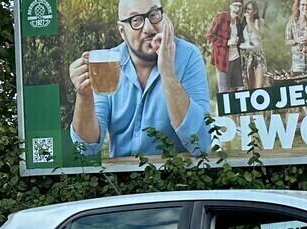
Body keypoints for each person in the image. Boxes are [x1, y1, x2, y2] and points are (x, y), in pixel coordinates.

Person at [68, 0, 211, 158]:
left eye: (154, 15)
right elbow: (87, 148)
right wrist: (84, 95)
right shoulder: (108, 64)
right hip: (122, 173)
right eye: (136, 20)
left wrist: (167, 71)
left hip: (175, 172)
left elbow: (200, 144)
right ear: (122, 31)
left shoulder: (188, 55)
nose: (149, 28)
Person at [207, 0, 244, 93]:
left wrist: (240, 42)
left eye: (240, 6)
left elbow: (239, 38)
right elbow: (210, 36)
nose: (238, 9)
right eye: (235, 6)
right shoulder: (222, 17)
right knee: (224, 91)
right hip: (223, 60)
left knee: (237, 88)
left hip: (236, 58)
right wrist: (226, 42)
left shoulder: (238, 21)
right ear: (230, 6)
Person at [285, 0, 307, 83]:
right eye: (303, 5)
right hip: (297, 59)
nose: (305, 7)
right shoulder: (291, 23)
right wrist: (296, 41)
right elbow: (287, 41)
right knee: (300, 85)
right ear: (298, 6)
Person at [239, 1, 266, 90]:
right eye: (246, 9)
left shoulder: (260, 21)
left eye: (249, 9)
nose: (247, 11)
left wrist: (250, 23)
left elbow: (261, 37)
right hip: (247, 56)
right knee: (250, 87)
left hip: (258, 55)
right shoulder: (243, 24)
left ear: (255, 11)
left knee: (259, 87)